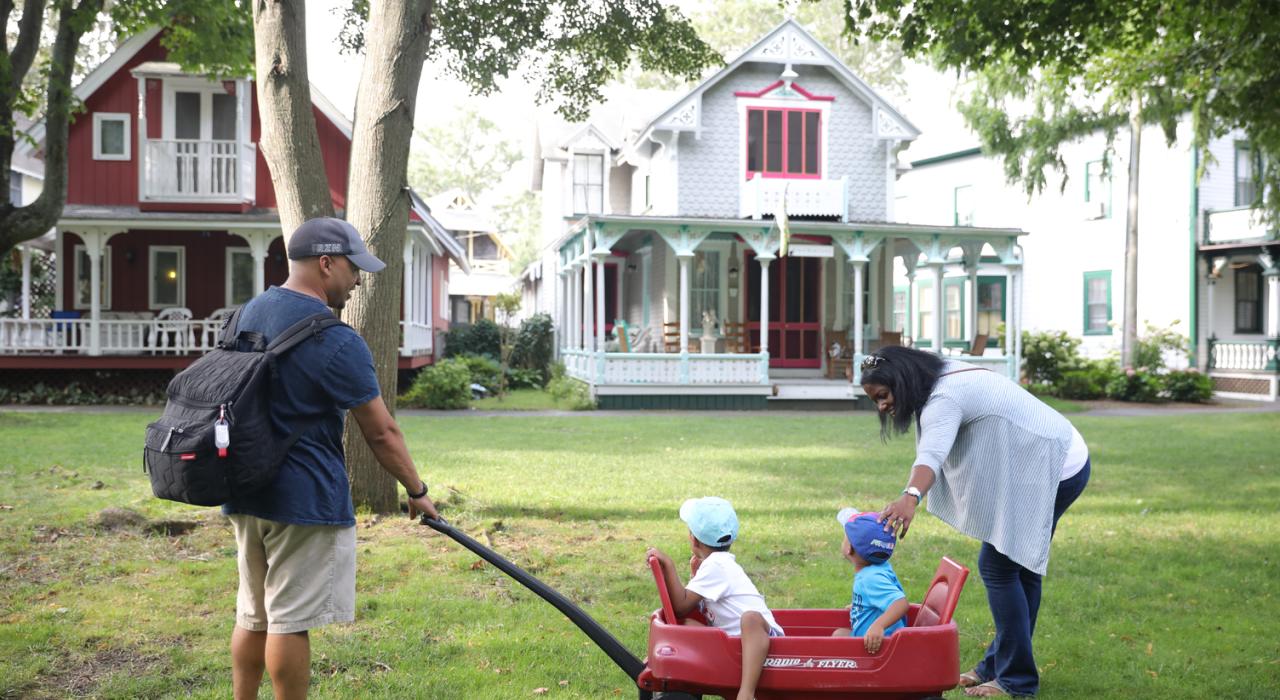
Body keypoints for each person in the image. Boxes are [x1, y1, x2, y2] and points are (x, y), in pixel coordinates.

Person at [223, 217, 439, 700]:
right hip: (303, 499)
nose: (359, 279)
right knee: (289, 622)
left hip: (243, 486)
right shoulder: (336, 339)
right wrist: (417, 491)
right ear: (326, 264)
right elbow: (381, 432)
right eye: (353, 267)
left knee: (253, 613)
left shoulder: (244, 316)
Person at [863, 345, 1090, 698]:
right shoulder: (939, 376)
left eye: (883, 395)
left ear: (902, 380)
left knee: (999, 567)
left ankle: (1016, 681)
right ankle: (999, 666)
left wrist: (910, 496)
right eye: (875, 400)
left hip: (1055, 466)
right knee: (1020, 568)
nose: (881, 406)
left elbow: (932, 455)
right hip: (1049, 457)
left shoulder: (944, 398)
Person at [646, 497, 783, 700]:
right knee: (686, 625)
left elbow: (681, 605)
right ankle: (678, 666)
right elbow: (690, 610)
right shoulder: (715, 564)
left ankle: (746, 692)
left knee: (750, 618)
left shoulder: (717, 565)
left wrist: (669, 566)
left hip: (763, 641)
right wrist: (695, 577)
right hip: (732, 642)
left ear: (693, 538)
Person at [830, 508, 908, 654]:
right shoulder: (878, 569)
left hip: (880, 646)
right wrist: (861, 606)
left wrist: (878, 626)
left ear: (849, 548)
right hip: (869, 639)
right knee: (839, 634)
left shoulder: (870, 578)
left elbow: (900, 603)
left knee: (836, 641)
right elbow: (879, 597)